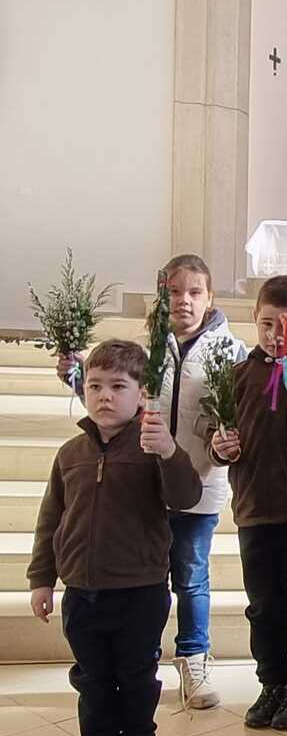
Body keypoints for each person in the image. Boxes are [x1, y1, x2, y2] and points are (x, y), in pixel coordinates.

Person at [56, 254, 248, 711]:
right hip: (139, 487)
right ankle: (138, 661)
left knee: (191, 576)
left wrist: (223, 444)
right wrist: (75, 377)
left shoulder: (231, 352)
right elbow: (114, 402)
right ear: (162, 297)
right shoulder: (146, 351)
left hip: (196, 482)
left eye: (194, 292)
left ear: (210, 297)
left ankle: (193, 661)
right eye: (175, 292)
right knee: (145, 581)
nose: (184, 301)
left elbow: (234, 417)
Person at [28, 340, 203, 736]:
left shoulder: (152, 448)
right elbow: (51, 519)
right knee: (92, 677)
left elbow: (186, 496)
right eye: (95, 386)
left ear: (141, 394)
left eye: (118, 386)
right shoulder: (70, 454)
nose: (105, 395)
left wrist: (169, 452)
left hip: (139, 589)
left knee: (135, 674)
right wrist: (42, 579)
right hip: (82, 590)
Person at [209, 275, 287, 731]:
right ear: (254, 319)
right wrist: (219, 448)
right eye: (267, 324)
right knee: (263, 604)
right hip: (256, 507)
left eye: (286, 325)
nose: (274, 334)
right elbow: (220, 433)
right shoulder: (237, 375)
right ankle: (271, 681)